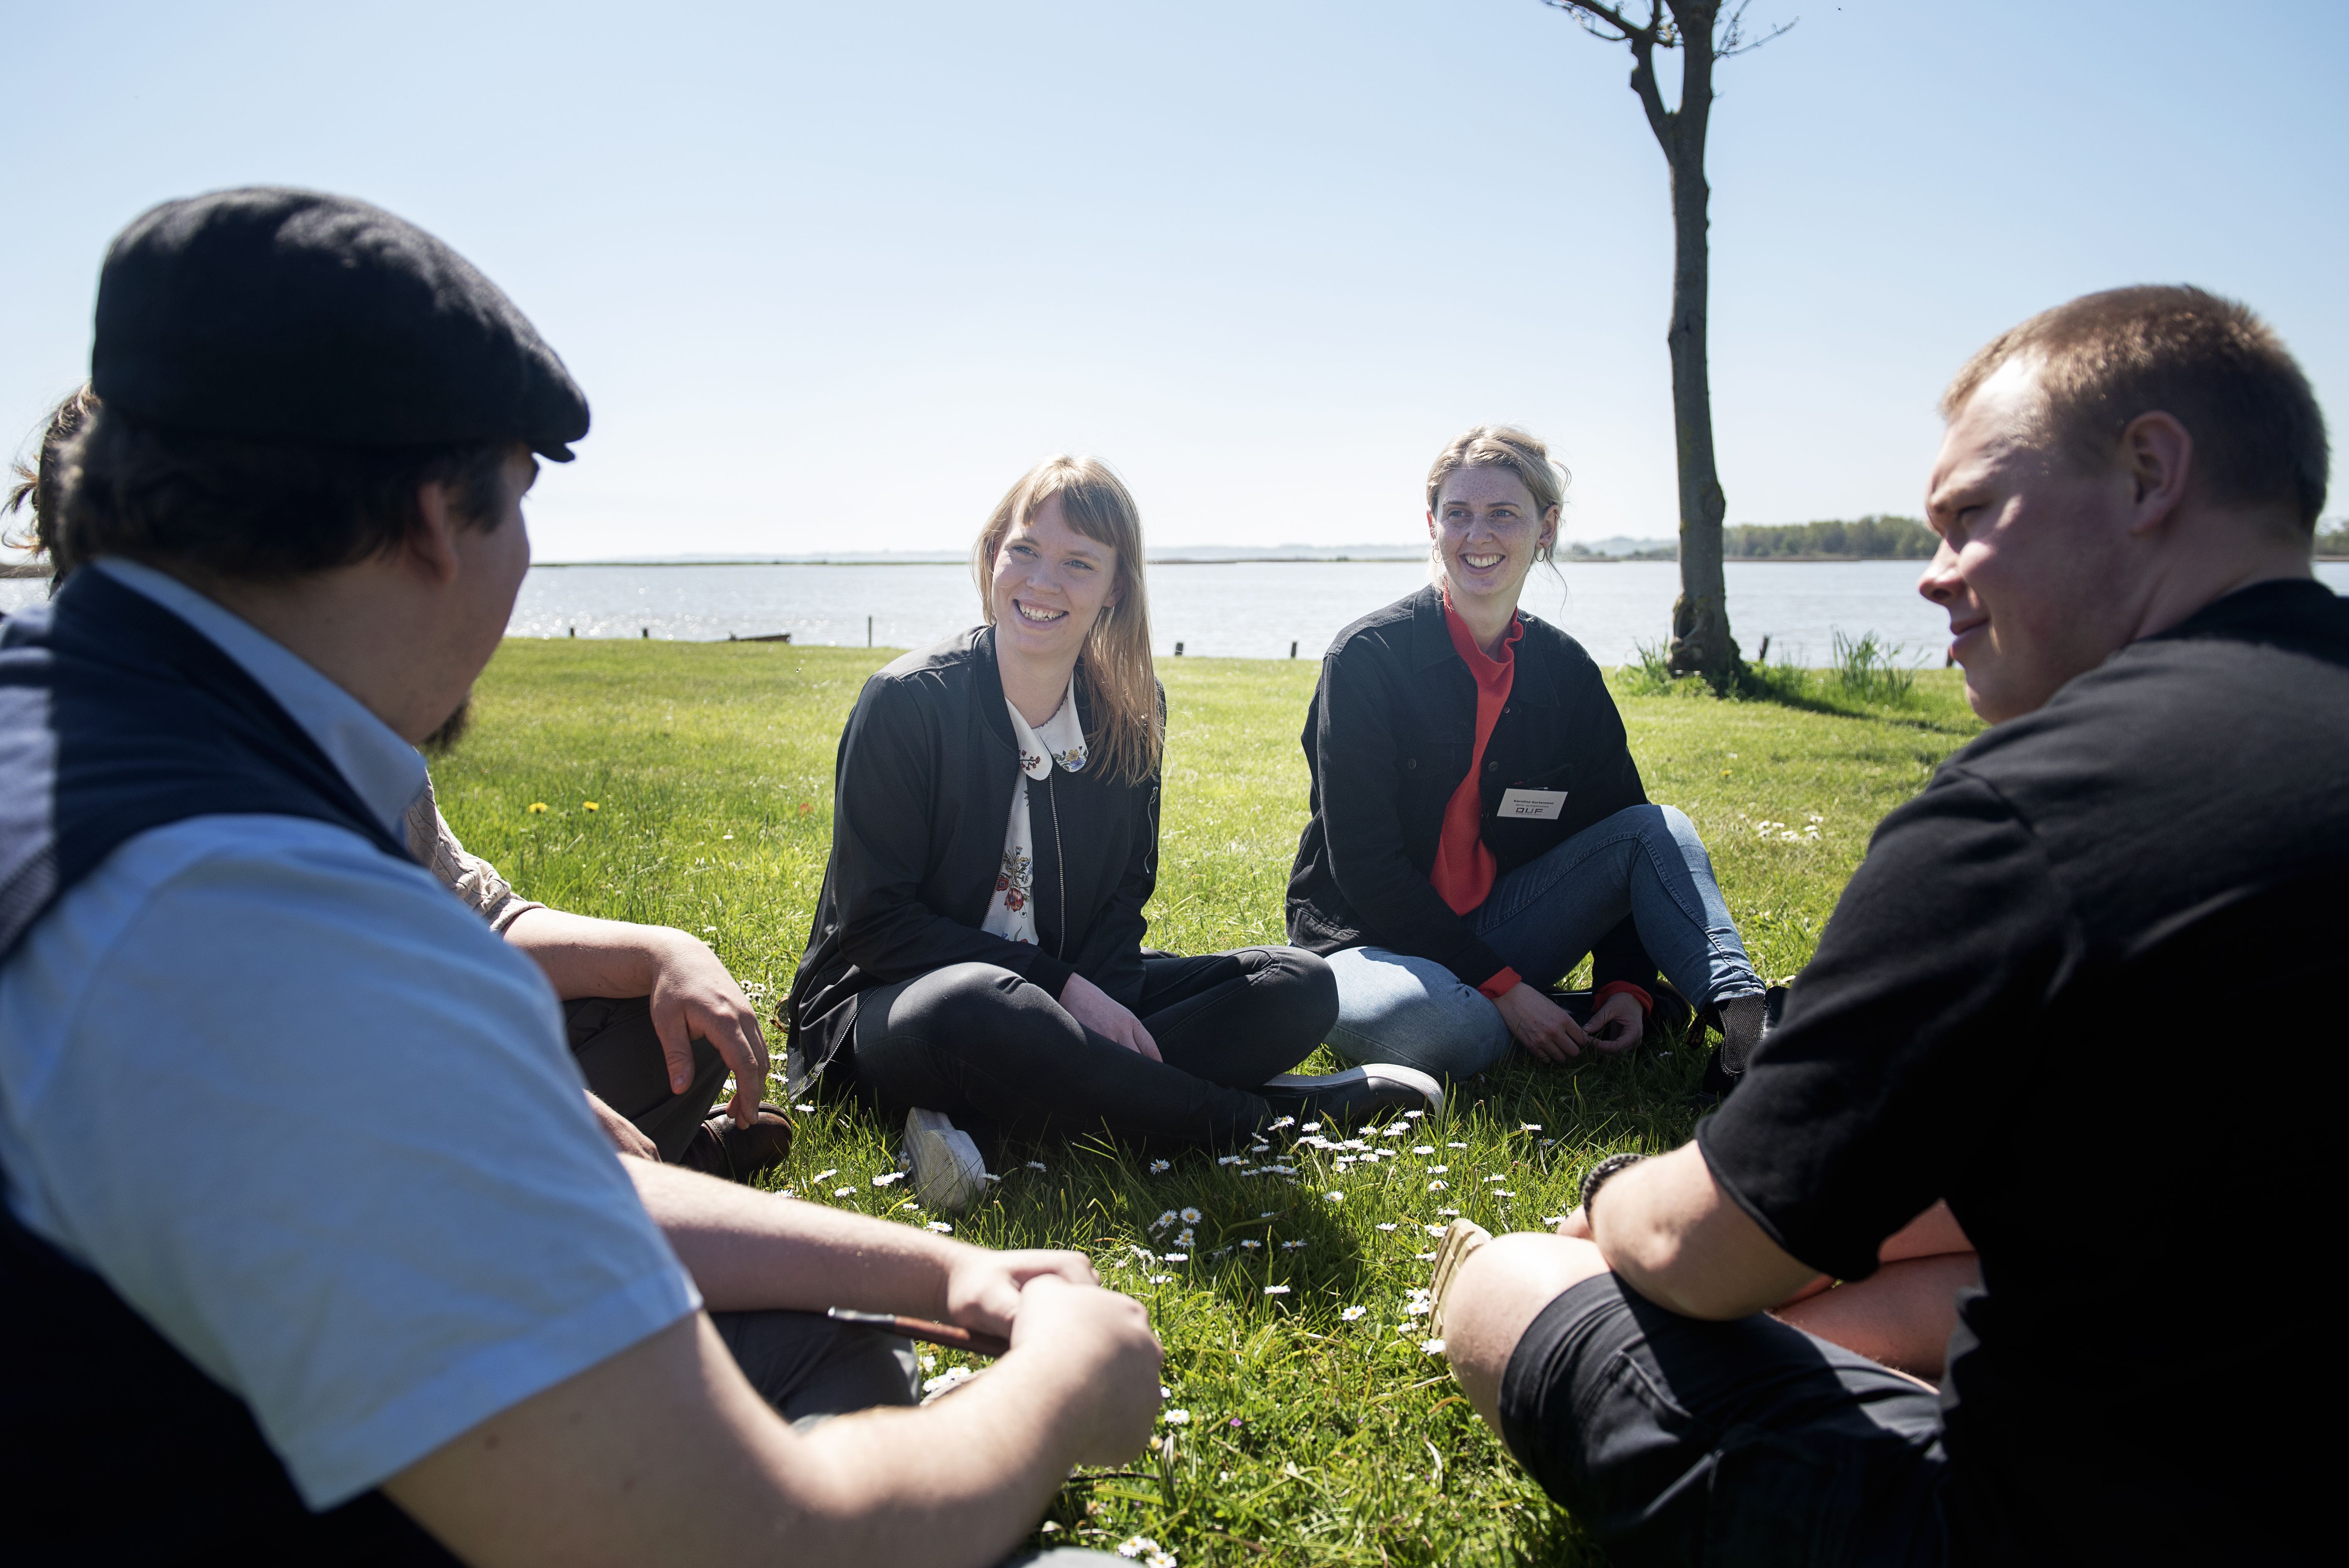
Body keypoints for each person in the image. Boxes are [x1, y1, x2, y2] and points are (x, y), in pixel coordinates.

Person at [0, 186, 1157, 1565]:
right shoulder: (272, 927)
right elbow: (749, 1538)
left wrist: (952, 1265)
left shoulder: (109, 741)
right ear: (439, 517)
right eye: (520, 505)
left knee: (820, 1349)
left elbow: (536, 1176)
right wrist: (1056, 1393)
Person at [1430, 286, 2344, 1566]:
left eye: (1971, 515)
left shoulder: (2037, 813)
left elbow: (1699, 1250)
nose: (1933, 573)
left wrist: (1610, 1195)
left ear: (2149, 473)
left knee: (1524, 1280)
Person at [6, 386, 790, 1180]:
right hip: (217, 1182)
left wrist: (662, 950)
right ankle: (642, 1187)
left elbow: (472, 918)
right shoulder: (74, 769)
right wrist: (482, 1091)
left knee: (670, 1020)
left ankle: (630, 1177)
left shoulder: (319, 708)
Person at [785, 455, 1442, 1209]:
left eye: (1078, 563)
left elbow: (1125, 893)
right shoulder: (907, 701)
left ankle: (993, 1119)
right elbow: (875, 925)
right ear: (994, 552)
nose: (1041, 581)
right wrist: (1062, 988)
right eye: (1025, 549)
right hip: (897, 1007)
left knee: (1297, 986)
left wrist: (1093, 1002)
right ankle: (1268, 1119)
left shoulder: (1131, 708)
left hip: (1062, 993)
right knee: (986, 1005)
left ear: (1116, 587)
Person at [1285, 425, 1768, 1084]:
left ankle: (1747, 1026)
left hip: (1495, 930)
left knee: (1658, 829)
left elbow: (1619, 831)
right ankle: (1507, 1008)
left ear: (1546, 528)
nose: (1477, 534)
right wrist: (1507, 990)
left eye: (1503, 514)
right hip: (1367, 943)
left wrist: (1624, 982)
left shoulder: (1567, 672)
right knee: (1456, 1034)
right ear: (1433, 525)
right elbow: (1366, 866)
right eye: (1458, 513)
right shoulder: (1368, 659)